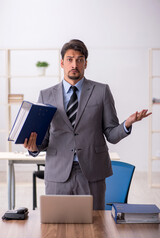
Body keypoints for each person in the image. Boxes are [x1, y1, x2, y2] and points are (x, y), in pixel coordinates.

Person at [24, 39, 151, 210]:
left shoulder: (102, 91)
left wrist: (126, 124)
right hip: (58, 172)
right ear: (62, 63)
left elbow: (111, 135)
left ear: (85, 63)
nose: (74, 64)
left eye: (79, 59)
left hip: (92, 171)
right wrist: (33, 147)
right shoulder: (46, 95)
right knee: (56, 227)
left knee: (95, 226)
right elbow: (44, 140)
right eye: (69, 59)